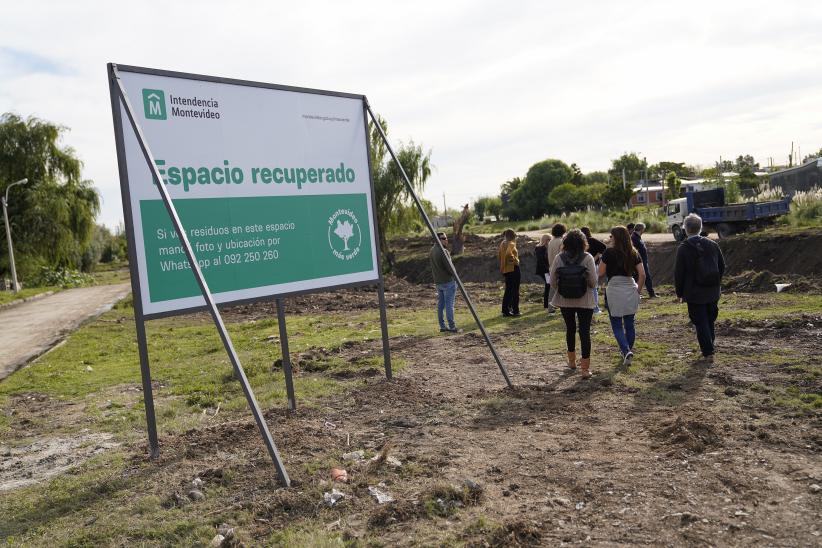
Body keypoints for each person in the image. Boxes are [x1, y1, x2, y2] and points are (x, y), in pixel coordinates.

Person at [675, 213, 725, 362]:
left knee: (700, 321)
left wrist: (680, 292)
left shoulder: (683, 248)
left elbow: (679, 273)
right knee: (710, 320)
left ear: (685, 229)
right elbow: (722, 266)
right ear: (700, 227)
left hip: (694, 292)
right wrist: (716, 282)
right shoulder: (713, 244)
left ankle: (708, 351)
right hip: (712, 290)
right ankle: (710, 345)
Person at [550, 229, 598, 378]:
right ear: (583, 242)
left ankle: (572, 362)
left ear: (566, 242)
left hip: (565, 300)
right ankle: (585, 369)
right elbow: (593, 283)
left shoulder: (559, 258)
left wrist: (564, 289)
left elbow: (552, 282)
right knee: (584, 332)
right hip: (585, 300)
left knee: (570, 329)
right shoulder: (588, 257)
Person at [599, 226, 645, 365]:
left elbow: (600, 273)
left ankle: (626, 351)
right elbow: (642, 274)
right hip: (630, 286)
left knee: (617, 324)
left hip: (614, 288)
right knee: (630, 323)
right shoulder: (633, 252)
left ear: (615, 238)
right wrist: (638, 290)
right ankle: (627, 350)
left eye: (611, 236)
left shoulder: (608, 252)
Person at [430, 232, 459, 333]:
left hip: (438, 282)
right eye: (444, 238)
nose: (446, 240)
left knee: (441, 305)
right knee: (449, 305)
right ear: (438, 239)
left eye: (446, 238)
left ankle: (442, 326)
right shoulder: (444, 251)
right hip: (448, 282)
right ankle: (452, 326)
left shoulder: (432, 250)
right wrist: (456, 277)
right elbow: (450, 268)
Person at [581, 227, 606, 313]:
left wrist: (596, 256)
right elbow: (604, 247)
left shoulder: (585, 241)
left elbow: (603, 247)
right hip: (592, 265)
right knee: (593, 287)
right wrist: (597, 256)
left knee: (587, 286)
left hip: (583, 265)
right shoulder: (591, 240)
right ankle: (595, 308)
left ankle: (591, 307)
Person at [498, 229, 521, 317]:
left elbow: (500, 256)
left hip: (506, 270)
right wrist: (515, 261)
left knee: (508, 291)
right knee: (515, 290)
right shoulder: (511, 243)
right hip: (513, 269)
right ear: (513, 236)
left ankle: (505, 311)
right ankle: (516, 310)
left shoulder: (502, 244)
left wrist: (503, 266)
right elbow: (508, 254)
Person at [631, 223, 657, 297]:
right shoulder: (634, 238)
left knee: (645, 277)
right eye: (643, 229)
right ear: (641, 229)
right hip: (639, 262)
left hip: (642, 261)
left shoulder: (637, 237)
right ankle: (639, 293)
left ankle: (650, 293)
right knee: (639, 277)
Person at [546, 223, 566, 312]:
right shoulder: (561, 242)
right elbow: (563, 255)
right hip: (560, 267)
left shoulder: (551, 242)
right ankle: (563, 306)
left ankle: (550, 308)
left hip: (551, 267)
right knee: (563, 288)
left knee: (552, 289)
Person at [534, 233, 552, 309]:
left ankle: (547, 304)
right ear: (546, 240)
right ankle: (546, 304)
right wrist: (548, 270)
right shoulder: (541, 248)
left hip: (545, 270)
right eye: (549, 240)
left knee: (548, 286)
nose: (550, 241)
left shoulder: (541, 248)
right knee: (548, 286)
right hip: (544, 270)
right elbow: (542, 261)